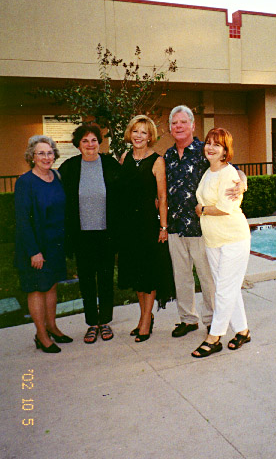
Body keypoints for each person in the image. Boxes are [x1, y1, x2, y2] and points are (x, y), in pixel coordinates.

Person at [164, 105, 246, 338]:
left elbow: (235, 171)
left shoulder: (206, 149)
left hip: (201, 228)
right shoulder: (168, 155)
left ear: (192, 125)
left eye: (183, 122)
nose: (178, 126)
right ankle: (188, 319)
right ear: (171, 128)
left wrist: (243, 182)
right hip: (175, 226)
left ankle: (212, 320)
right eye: (174, 123)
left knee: (208, 279)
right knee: (182, 277)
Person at [59, 123, 121, 344]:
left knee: (105, 278)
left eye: (93, 139)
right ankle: (91, 324)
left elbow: (124, 192)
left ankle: (104, 321)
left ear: (99, 142)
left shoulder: (111, 165)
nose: (90, 144)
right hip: (81, 234)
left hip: (106, 233)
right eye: (85, 140)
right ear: (78, 144)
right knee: (86, 280)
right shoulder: (69, 168)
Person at [192, 127, 251, 358]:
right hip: (213, 240)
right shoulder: (208, 172)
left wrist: (202, 209)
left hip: (233, 239)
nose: (210, 147)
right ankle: (243, 330)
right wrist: (203, 210)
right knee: (229, 289)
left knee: (224, 291)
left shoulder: (229, 173)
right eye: (208, 142)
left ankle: (214, 337)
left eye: (217, 144)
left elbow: (226, 208)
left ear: (226, 150)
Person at [118, 115, 175, 342]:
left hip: (149, 225)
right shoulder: (125, 158)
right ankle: (145, 316)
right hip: (129, 225)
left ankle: (144, 323)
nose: (139, 136)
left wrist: (163, 226)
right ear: (130, 134)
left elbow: (162, 197)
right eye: (135, 131)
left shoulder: (157, 161)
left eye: (144, 132)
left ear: (150, 136)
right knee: (136, 272)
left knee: (148, 273)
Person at [14, 135, 72, 354]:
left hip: (55, 245)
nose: (46, 157)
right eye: (41, 153)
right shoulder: (25, 182)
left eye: (49, 153)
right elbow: (22, 221)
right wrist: (33, 251)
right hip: (35, 247)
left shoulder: (56, 177)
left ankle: (53, 327)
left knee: (51, 285)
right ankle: (41, 335)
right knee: (37, 289)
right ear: (32, 156)